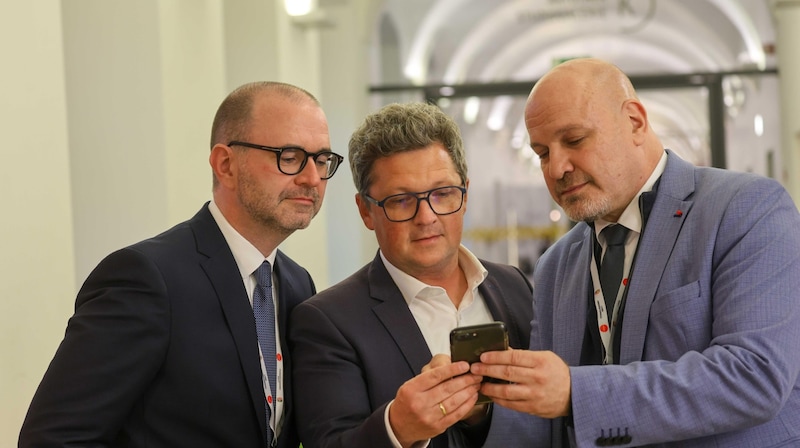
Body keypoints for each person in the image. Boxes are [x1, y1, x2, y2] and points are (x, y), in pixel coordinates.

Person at [473, 57, 800, 447]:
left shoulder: (747, 208)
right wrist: (484, 407)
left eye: (574, 140)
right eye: (543, 153)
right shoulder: (555, 265)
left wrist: (578, 393)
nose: (557, 167)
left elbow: (754, 375)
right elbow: (547, 420)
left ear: (635, 122)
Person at [19, 81, 344, 448]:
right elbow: (54, 438)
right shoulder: (146, 278)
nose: (312, 178)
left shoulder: (297, 283)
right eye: (290, 156)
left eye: (321, 160)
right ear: (226, 165)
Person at [288, 102, 534, 448]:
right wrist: (398, 427)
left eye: (443, 194)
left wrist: (481, 414)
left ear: (464, 195)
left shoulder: (516, 287)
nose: (426, 217)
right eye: (401, 200)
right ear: (366, 212)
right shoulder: (327, 321)